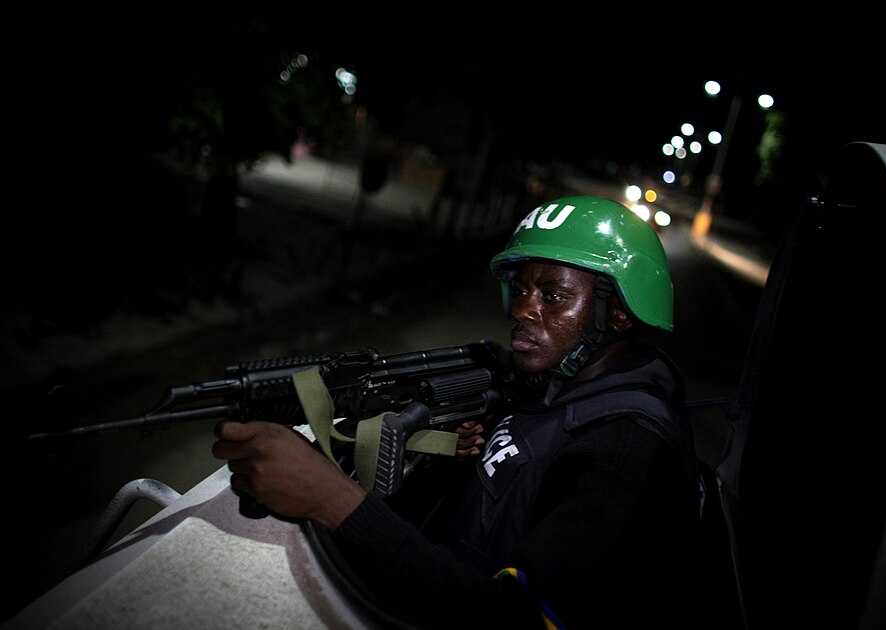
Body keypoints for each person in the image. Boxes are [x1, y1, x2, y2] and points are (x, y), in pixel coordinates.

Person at [212, 195, 703, 628]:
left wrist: (330, 500)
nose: (522, 311)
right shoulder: (558, 384)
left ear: (618, 313)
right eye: (522, 290)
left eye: (553, 296)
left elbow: (508, 617)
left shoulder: (626, 453)